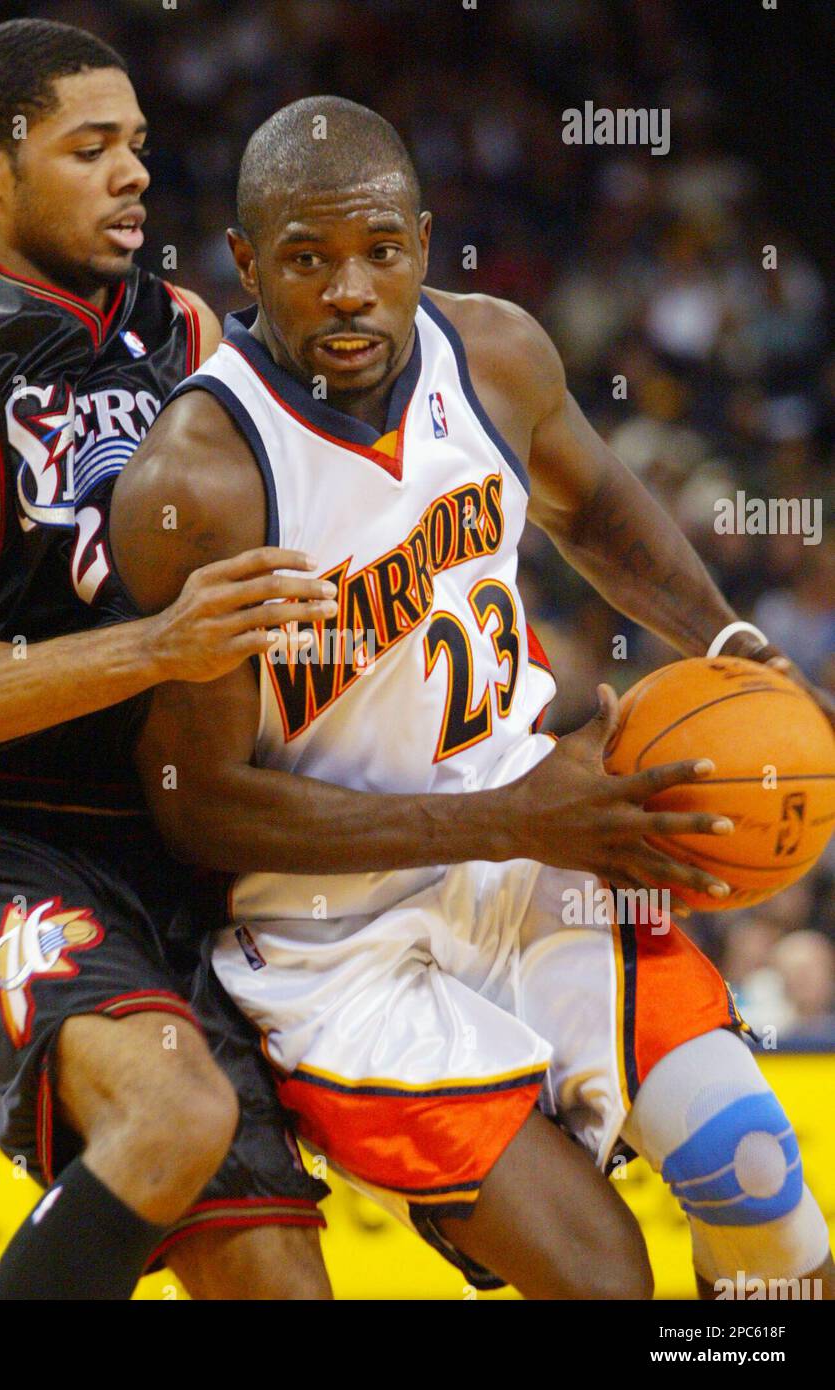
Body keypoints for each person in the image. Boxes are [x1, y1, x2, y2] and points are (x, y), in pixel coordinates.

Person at [110, 96, 834, 1299]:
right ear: (245, 263)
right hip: (333, 941)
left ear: (423, 242)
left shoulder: (492, 351)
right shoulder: (202, 480)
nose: (349, 290)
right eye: (306, 260)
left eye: (379, 253)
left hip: (525, 847)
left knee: (752, 1180)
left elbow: (593, 505)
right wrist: (510, 822)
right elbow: (199, 810)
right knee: (605, 1282)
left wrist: (728, 636)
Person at [0, 23, 336, 1302]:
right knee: (169, 1111)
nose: (133, 177)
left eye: (140, 149)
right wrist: (151, 648)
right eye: (89, 148)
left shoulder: (191, 331)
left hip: (152, 847)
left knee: (278, 1276)